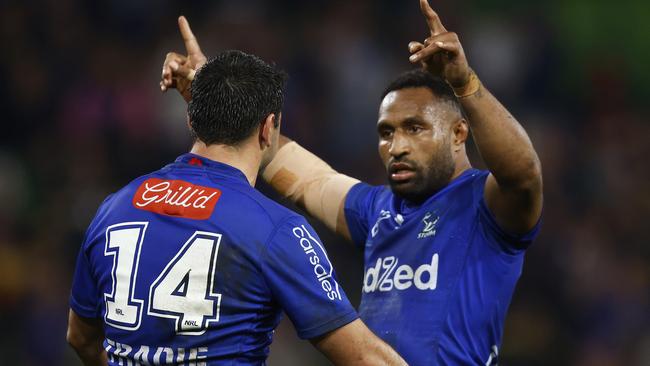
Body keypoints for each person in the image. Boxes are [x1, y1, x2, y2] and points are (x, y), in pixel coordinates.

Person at [161, 0, 543, 364]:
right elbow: (304, 177)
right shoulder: (377, 210)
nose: (397, 146)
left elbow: (523, 174)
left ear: (459, 134)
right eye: (386, 132)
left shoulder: (485, 205)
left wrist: (464, 83)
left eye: (414, 128)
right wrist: (214, 99)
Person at [66, 16, 406, 366]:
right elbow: (367, 358)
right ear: (268, 128)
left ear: (190, 120)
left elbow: (80, 337)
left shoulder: (115, 206)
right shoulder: (274, 230)